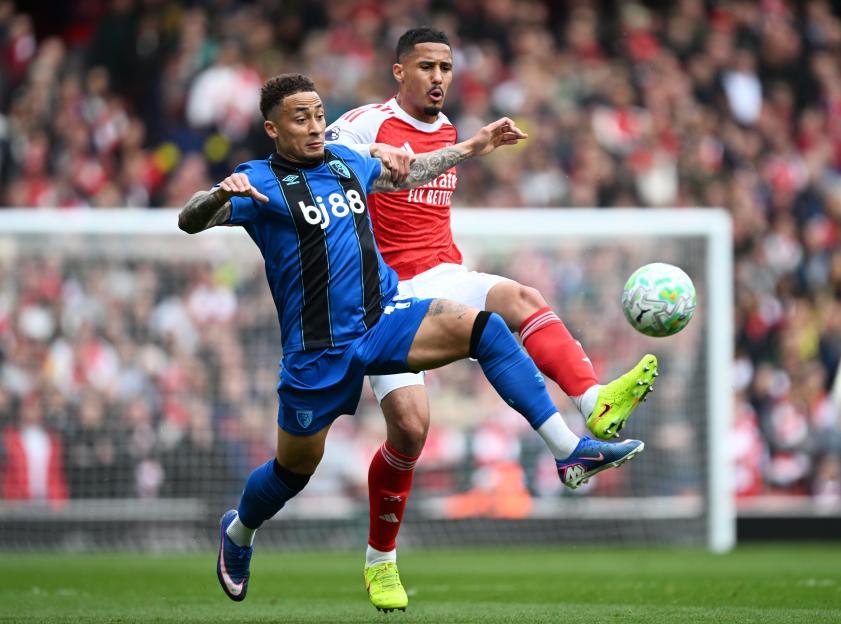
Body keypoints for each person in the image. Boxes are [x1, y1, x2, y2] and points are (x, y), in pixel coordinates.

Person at [178, 73, 646, 606]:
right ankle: (239, 531)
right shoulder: (258, 181)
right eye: (299, 119)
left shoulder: (343, 160)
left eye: (317, 114)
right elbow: (191, 219)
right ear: (272, 128)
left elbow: (407, 175)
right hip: (317, 352)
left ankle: (569, 450)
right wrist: (218, 193)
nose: (313, 127)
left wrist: (469, 147)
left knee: (487, 327)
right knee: (293, 472)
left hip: (383, 318)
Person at [326, 27, 658, 611]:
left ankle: (592, 407)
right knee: (409, 429)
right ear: (399, 71)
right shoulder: (367, 120)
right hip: (382, 293)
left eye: (446, 68)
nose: (437, 78)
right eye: (425, 66)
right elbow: (324, 150)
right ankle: (380, 559)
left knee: (523, 298)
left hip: (442, 271)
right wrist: (372, 152)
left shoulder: (450, 129)